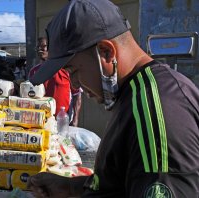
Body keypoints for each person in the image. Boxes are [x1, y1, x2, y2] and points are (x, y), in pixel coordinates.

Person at [28, 0, 199, 197]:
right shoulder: (134, 93)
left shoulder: (154, 110)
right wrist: (70, 187)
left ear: (106, 52)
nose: (74, 84)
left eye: (73, 71)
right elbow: (122, 181)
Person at [29, 37, 82, 125]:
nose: (39, 49)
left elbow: (77, 95)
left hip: (62, 119)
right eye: (38, 47)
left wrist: (75, 119)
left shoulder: (66, 70)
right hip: (41, 120)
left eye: (43, 46)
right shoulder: (33, 72)